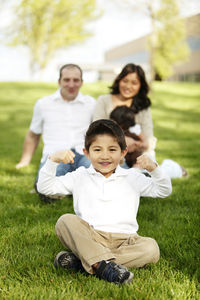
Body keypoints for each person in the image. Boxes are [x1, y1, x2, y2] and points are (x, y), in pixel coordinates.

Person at [37, 119, 172, 284]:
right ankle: (103, 266)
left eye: (112, 149)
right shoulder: (80, 176)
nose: (105, 156)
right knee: (65, 221)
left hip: (126, 241)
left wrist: (154, 169)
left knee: (151, 249)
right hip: (92, 236)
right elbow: (45, 187)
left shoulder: (133, 177)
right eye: (97, 150)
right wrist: (53, 160)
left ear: (123, 153)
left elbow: (164, 190)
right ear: (86, 153)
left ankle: (85, 263)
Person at [16, 63, 96, 202]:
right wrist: (25, 161)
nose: (71, 84)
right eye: (66, 80)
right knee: (48, 194)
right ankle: (68, 187)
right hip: (55, 154)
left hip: (84, 153)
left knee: (97, 180)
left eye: (76, 80)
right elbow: (33, 134)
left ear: (81, 82)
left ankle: (73, 187)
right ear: (59, 81)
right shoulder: (43, 104)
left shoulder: (91, 103)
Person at [93, 63, 157, 158]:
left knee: (149, 162)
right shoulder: (104, 101)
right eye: (125, 81)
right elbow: (96, 130)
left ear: (140, 86)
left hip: (136, 153)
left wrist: (137, 144)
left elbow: (148, 137)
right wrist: (122, 140)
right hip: (108, 152)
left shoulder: (143, 106)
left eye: (134, 83)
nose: (128, 86)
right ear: (119, 81)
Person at [110, 106, 188, 178]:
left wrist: (136, 143)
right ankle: (133, 174)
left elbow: (145, 144)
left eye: (116, 123)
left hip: (134, 154)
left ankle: (136, 172)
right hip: (123, 160)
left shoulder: (133, 130)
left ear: (124, 124)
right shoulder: (111, 131)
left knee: (139, 161)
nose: (113, 125)